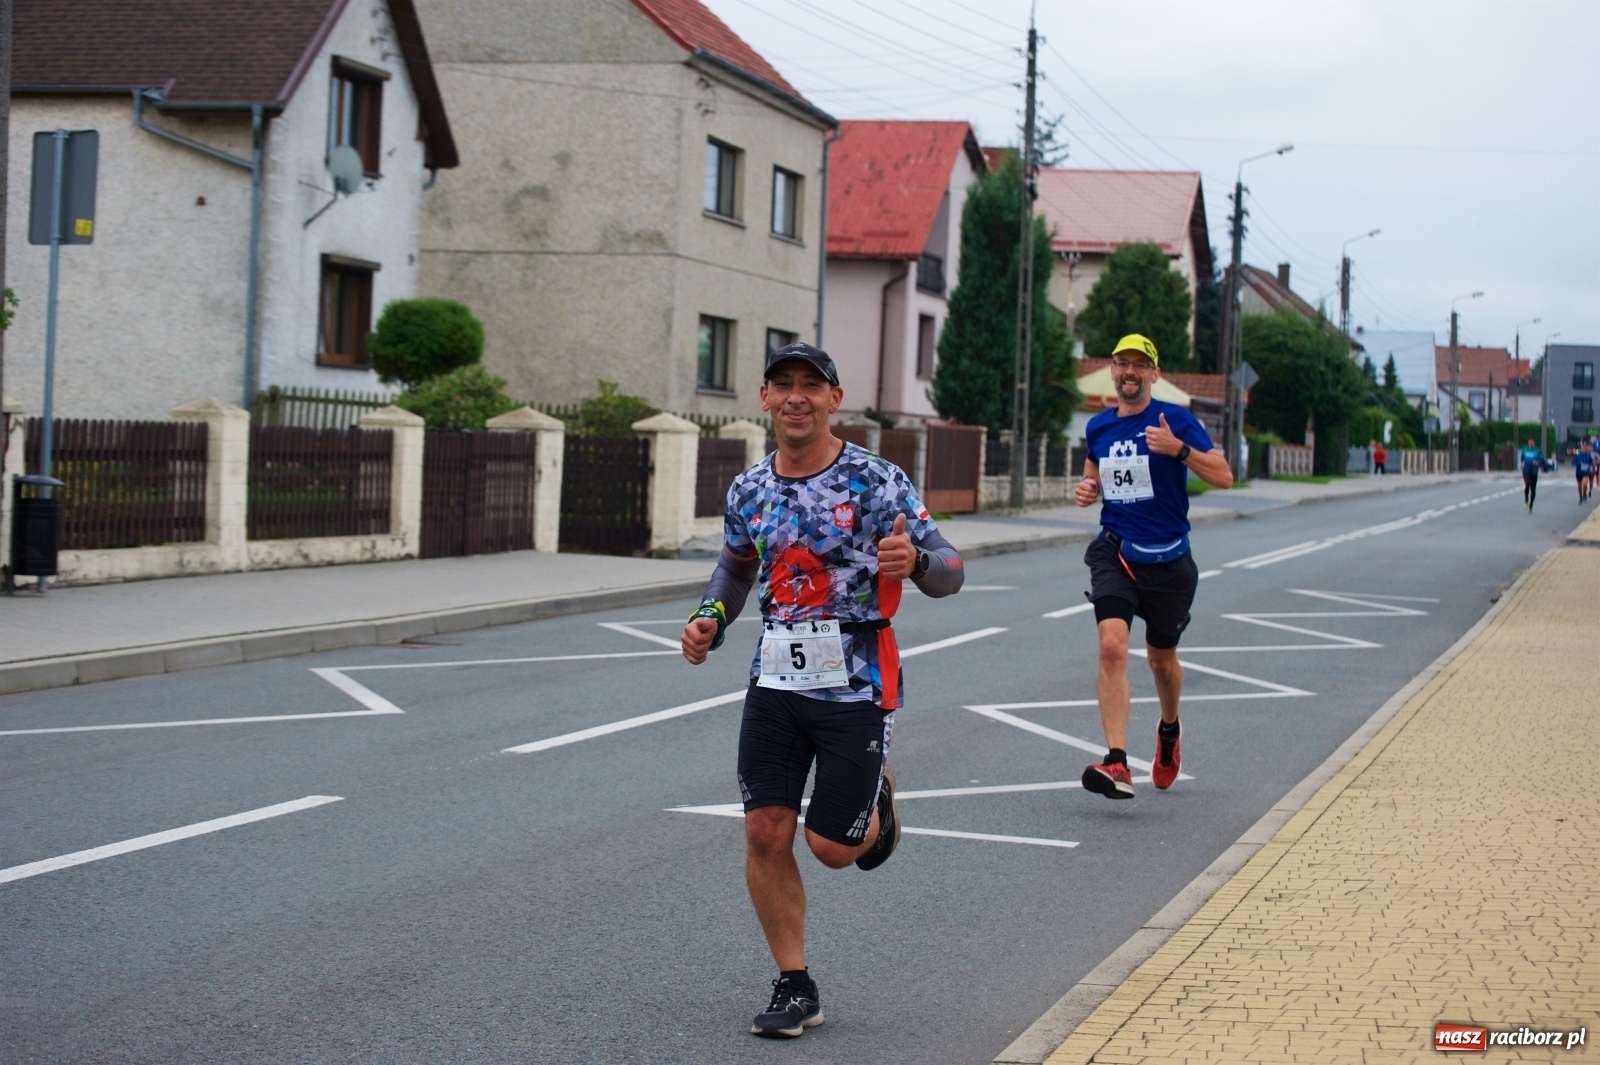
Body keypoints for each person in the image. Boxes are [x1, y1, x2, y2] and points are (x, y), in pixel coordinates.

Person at [680, 341, 964, 1039]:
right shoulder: (748, 489)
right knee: (763, 829)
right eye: (783, 384)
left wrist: (916, 561)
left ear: (835, 399)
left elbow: (952, 569)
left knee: (834, 848)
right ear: (765, 398)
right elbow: (736, 569)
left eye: (811, 384)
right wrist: (711, 616)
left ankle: (877, 804)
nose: (796, 397)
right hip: (775, 680)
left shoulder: (878, 481)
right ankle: (795, 984)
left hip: (857, 682)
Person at [1073, 333, 1234, 799]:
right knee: (1111, 647)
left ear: (1154, 374)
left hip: (1169, 561)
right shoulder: (1099, 427)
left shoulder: (1176, 420)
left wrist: (1177, 449)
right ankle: (1117, 762)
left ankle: (1168, 730)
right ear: (1113, 371)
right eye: (1122, 363)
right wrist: (1088, 487)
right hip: (1116, 552)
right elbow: (1093, 469)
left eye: (1139, 364)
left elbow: (1224, 476)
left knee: (1161, 661)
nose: (1130, 371)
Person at [1519, 438, 1545, 512]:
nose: (1530, 443)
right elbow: (1522, 457)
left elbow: (1542, 459)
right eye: (1529, 442)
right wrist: (1521, 463)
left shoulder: (1538, 450)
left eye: (1532, 442)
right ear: (1528, 442)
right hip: (1526, 470)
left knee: (1533, 489)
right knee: (1527, 484)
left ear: (1534, 443)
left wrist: (1537, 462)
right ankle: (1526, 500)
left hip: (1534, 471)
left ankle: (1531, 505)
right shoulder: (1525, 449)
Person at [1574, 439, 1595, 503]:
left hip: (1586, 472)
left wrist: (1590, 466)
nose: (1584, 449)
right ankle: (1581, 497)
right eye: (1582, 448)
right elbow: (1573, 461)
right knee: (1579, 486)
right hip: (1579, 472)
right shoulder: (1578, 454)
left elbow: (1592, 462)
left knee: (1585, 483)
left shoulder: (1589, 455)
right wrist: (1578, 463)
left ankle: (1585, 494)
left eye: (1585, 448)